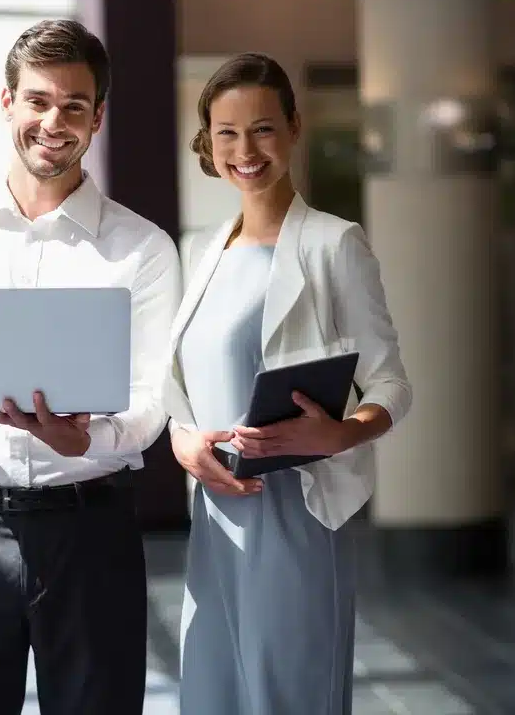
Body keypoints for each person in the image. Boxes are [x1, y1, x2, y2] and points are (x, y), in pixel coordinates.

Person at [0, 19, 181, 714]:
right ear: (7, 103)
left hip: (91, 530)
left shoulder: (142, 249)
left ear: (98, 116)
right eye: (39, 100)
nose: (54, 121)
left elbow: (150, 399)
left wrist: (90, 440)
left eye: (75, 105)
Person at [164, 52, 412, 715]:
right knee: (212, 696)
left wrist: (341, 433)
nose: (246, 150)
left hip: (297, 514)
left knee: (289, 696)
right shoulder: (200, 250)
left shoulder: (334, 245)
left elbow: (390, 380)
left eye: (263, 129)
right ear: (209, 143)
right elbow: (179, 384)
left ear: (294, 128)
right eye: (227, 133)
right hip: (216, 516)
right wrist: (182, 442)